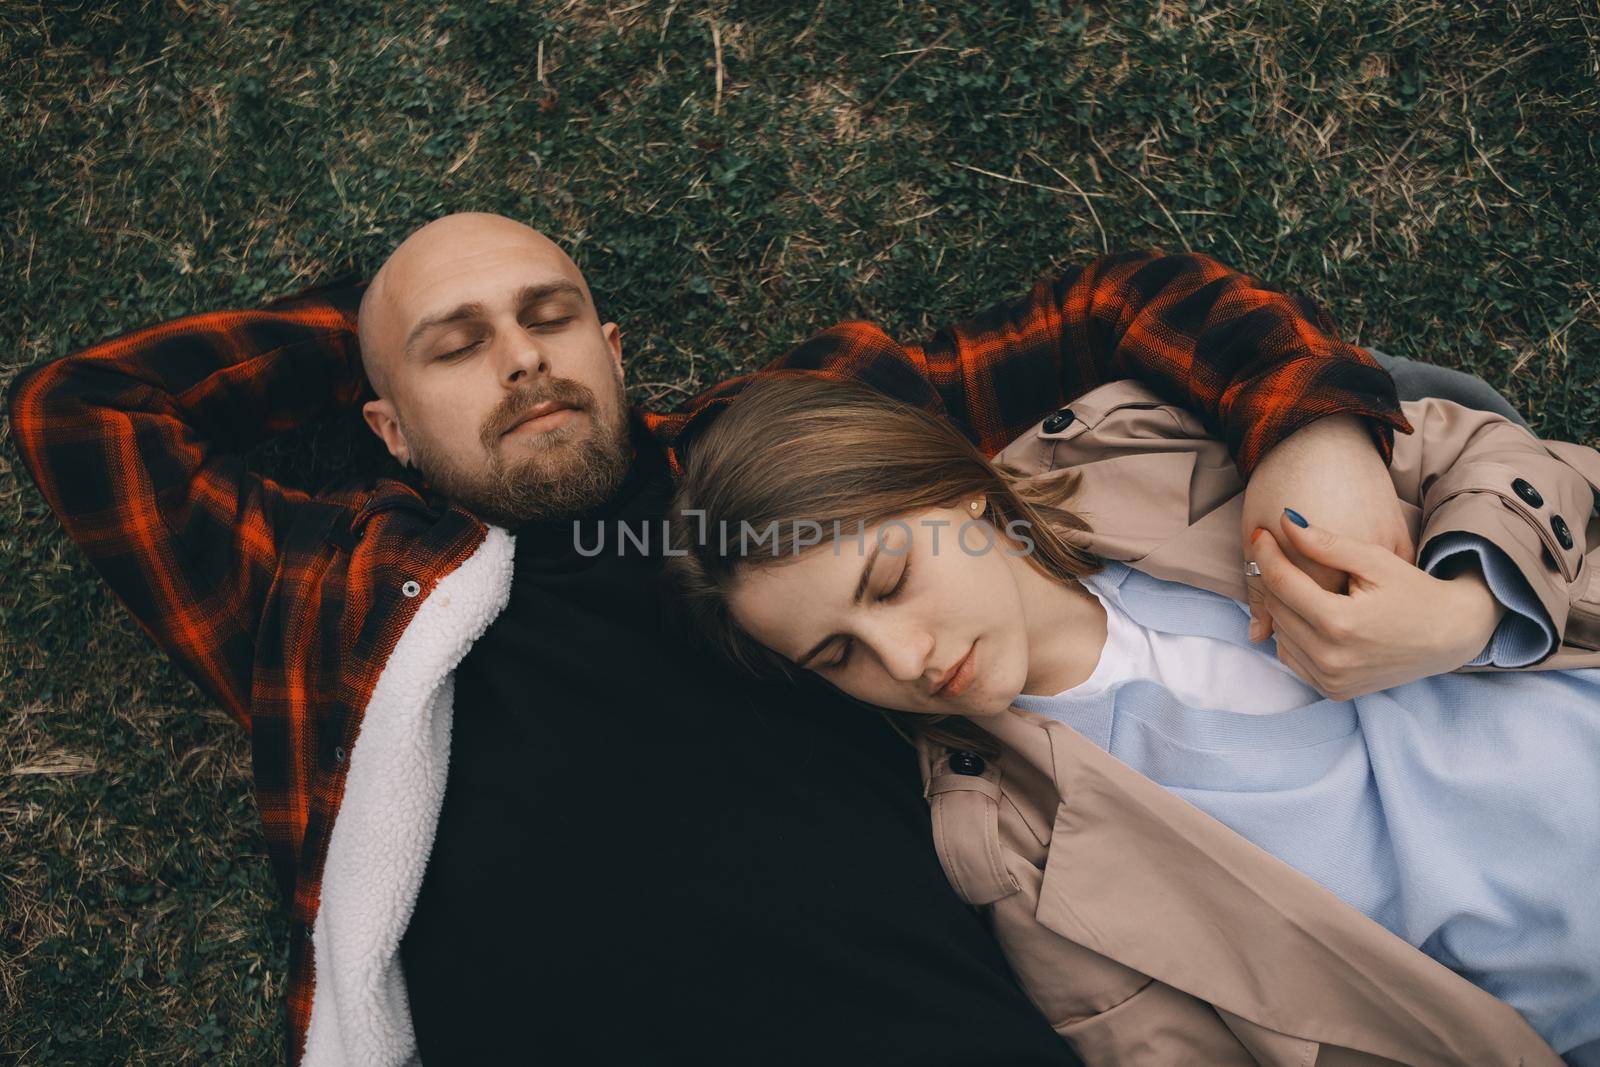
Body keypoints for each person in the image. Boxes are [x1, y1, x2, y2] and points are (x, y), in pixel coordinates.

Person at [5, 210, 1529, 1065]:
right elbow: (82, 413)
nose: (522, 357)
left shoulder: (793, 446)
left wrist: (1313, 422)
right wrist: (377, 310)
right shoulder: (324, 586)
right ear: (384, 428)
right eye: (457, 350)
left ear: (615, 349)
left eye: (548, 315)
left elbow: (1124, 297)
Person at [662, 372, 1600, 1065]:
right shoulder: (1018, 859)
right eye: (838, 656)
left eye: (892, 579)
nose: (904, 659)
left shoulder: (1134, 445)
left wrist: (1468, 610)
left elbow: (1487, 449)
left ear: (960, 496)